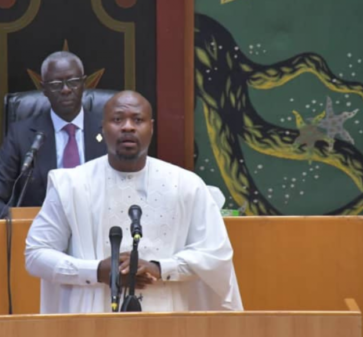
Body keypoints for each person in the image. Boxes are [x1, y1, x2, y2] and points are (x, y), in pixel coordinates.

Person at [25, 91, 243, 313]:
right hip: (91, 320)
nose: (128, 127)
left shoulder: (186, 185)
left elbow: (215, 253)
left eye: (137, 120)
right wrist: (96, 271)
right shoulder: (70, 185)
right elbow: (36, 254)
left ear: (151, 127)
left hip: (169, 317)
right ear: (103, 127)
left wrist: (159, 268)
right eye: (118, 119)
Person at [0, 51, 107, 219]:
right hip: (41, 237)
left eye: (73, 82)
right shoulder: (22, 136)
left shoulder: (106, 130)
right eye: (56, 83)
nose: (66, 89)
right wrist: (27, 223)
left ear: (83, 84)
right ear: (43, 89)